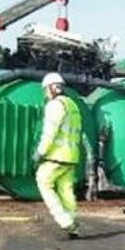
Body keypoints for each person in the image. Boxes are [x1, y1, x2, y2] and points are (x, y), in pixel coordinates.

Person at [32, 72, 82, 239]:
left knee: (43, 181)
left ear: (52, 88)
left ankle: (64, 220)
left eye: (46, 89)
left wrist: (40, 153)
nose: (46, 93)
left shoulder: (55, 105)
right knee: (66, 189)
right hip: (72, 157)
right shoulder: (72, 105)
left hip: (57, 156)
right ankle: (73, 225)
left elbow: (49, 133)